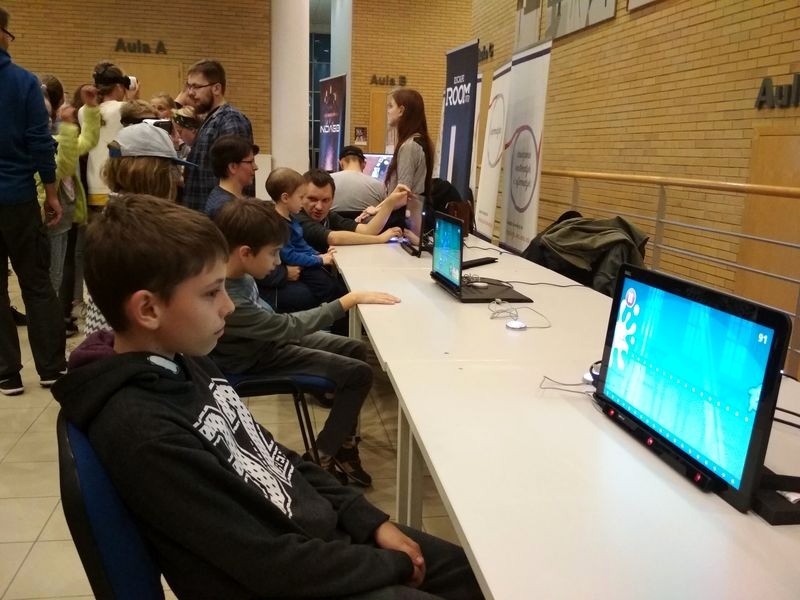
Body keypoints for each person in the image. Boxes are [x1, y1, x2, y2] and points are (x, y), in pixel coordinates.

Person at [52, 193, 483, 599]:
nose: (228, 306)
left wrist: (366, 519)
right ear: (148, 310)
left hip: (315, 543)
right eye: (211, 293)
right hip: (284, 579)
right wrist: (390, 564)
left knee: (473, 573)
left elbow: (272, 455)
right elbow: (263, 562)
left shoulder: (187, 360)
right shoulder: (143, 430)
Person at [212, 197, 400, 485]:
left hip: (268, 342)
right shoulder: (231, 299)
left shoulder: (239, 274)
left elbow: (277, 324)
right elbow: (286, 327)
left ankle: (343, 445)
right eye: (274, 253)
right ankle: (322, 457)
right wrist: (347, 301)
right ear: (245, 253)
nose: (278, 262)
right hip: (252, 359)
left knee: (355, 348)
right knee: (360, 374)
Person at [0, 6, 66, 395]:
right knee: (37, 283)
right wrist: (52, 192)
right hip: (19, 198)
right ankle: (51, 368)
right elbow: (41, 142)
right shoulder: (24, 82)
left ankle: (6, 373)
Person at [83, 122, 193, 335]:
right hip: (133, 341)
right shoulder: (139, 229)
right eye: (171, 169)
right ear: (152, 172)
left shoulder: (109, 216)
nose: (176, 178)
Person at [265, 167, 344, 309]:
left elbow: (301, 244)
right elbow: (290, 256)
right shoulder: (278, 226)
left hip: (304, 264)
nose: (302, 203)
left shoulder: (291, 218)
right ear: (285, 198)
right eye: (301, 197)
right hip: (297, 268)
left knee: (334, 285)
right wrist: (319, 260)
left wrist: (317, 254)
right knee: (331, 289)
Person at [183, 59, 254, 211]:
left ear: (216, 88)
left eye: (196, 87)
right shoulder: (211, 119)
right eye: (188, 86)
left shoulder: (231, 120)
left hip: (221, 215)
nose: (190, 93)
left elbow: (237, 176)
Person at [297, 168, 406, 254]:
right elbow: (333, 238)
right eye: (312, 199)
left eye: (325, 200)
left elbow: (368, 230)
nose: (319, 207)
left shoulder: (329, 216)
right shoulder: (297, 217)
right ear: (301, 197)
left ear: (333, 199)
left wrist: (390, 202)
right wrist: (379, 239)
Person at [384, 88, 435, 243]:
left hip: (404, 221)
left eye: (390, 106)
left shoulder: (409, 146)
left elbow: (402, 194)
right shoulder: (419, 141)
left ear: (401, 110)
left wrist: (378, 210)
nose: (388, 111)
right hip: (411, 218)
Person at [79, 61, 129, 215]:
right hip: (118, 181)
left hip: (94, 180)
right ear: (119, 86)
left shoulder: (83, 110)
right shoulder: (125, 108)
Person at [204, 134, 259, 218]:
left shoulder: (231, 199)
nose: (255, 167)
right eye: (250, 162)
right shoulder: (225, 209)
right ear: (232, 167)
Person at [331, 145, 386, 213]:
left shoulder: (328, 181)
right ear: (364, 164)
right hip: (368, 220)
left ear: (340, 163)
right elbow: (386, 211)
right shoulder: (378, 186)